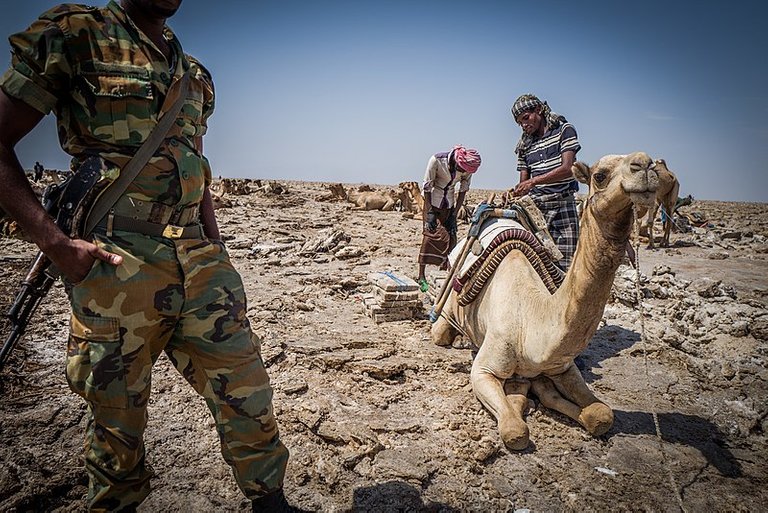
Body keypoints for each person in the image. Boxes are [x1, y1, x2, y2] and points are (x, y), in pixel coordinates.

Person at [0, 1, 293, 511]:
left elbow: (195, 159)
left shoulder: (194, 74)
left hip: (200, 260)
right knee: (117, 417)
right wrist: (54, 242)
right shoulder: (76, 35)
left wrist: (215, 243)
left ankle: (271, 501)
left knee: (247, 391)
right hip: (117, 260)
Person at [511, 94, 581, 271]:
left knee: (566, 264)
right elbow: (524, 184)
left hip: (563, 206)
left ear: (539, 110)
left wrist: (533, 182)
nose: (524, 125)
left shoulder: (564, 130)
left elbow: (568, 168)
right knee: (536, 264)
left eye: (526, 118)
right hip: (537, 210)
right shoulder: (524, 145)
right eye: (520, 122)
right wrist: (515, 191)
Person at [417, 145, 481, 292]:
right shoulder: (437, 161)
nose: (464, 173)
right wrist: (430, 213)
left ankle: (447, 273)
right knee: (431, 236)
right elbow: (427, 186)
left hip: (449, 204)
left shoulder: (467, 168)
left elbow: (463, 190)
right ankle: (421, 275)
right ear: (457, 162)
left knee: (451, 238)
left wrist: (454, 215)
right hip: (432, 202)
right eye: (462, 170)